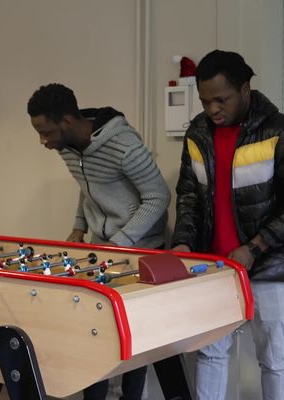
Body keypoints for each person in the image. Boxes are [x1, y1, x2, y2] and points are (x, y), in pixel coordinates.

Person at [27, 84, 187, 400]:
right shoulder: (67, 147)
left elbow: (159, 197)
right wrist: (78, 226)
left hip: (139, 250)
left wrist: (121, 242)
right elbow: (88, 185)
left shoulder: (123, 144)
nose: (43, 141)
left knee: (135, 341)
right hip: (102, 249)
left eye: (46, 132)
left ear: (67, 122)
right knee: (93, 336)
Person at [172, 49, 284, 400]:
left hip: (270, 268)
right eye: (206, 101)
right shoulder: (198, 133)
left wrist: (255, 247)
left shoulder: (276, 130)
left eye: (221, 99)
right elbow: (189, 196)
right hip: (214, 267)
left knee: (276, 361)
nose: (212, 109)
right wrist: (183, 244)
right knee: (210, 354)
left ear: (245, 89)